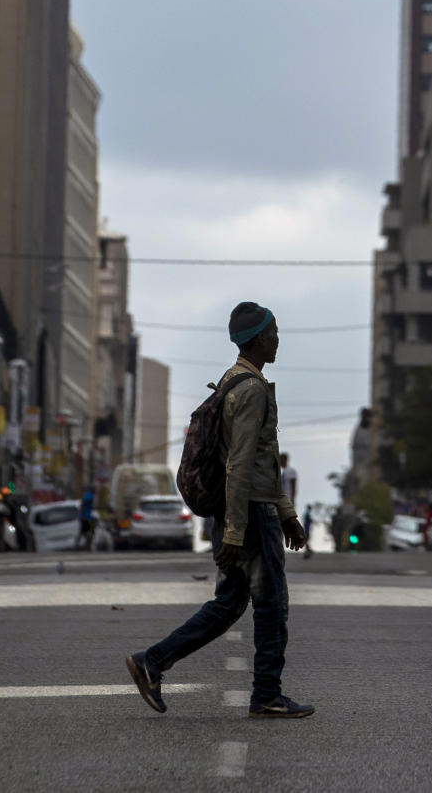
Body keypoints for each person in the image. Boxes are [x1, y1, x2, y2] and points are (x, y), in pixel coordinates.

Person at [127, 302, 313, 719]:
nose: (279, 339)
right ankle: (267, 694)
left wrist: (287, 513)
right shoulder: (249, 390)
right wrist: (236, 530)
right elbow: (242, 463)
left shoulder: (236, 383)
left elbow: (263, 463)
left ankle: (152, 661)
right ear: (260, 339)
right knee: (272, 605)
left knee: (229, 604)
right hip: (248, 516)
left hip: (247, 511)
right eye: (275, 332)